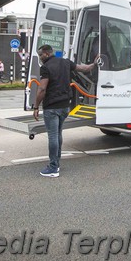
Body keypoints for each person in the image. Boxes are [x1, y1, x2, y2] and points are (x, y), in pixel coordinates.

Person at [32, 44, 96, 177]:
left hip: (52, 107)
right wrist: (94, 63)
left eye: (41, 55)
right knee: (58, 133)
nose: (40, 57)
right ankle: (57, 161)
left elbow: (42, 89)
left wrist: (36, 106)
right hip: (65, 106)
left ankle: (53, 167)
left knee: (53, 136)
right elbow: (84, 68)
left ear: (47, 54)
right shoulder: (66, 62)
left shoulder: (46, 67)